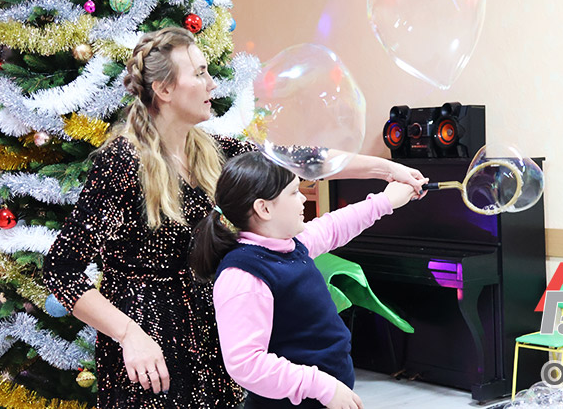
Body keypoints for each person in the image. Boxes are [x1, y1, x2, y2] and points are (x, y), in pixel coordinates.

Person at [43, 27, 427, 408]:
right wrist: (129, 335)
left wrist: (386, 169)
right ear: (164, 89)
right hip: (151, 348)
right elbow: (61, 271)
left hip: (212, 336)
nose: (212, 83)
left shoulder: (213, 149)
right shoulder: (121, 164)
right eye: (200, 73)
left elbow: (298, 159)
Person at [189, 151, 419, 409]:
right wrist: (321, 386)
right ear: (264, 208)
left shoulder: (291, 244)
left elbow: (335, 226)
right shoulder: (244, 276)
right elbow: (246, 363)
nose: (302, 199)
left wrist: (387, 200)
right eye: (294, 192)